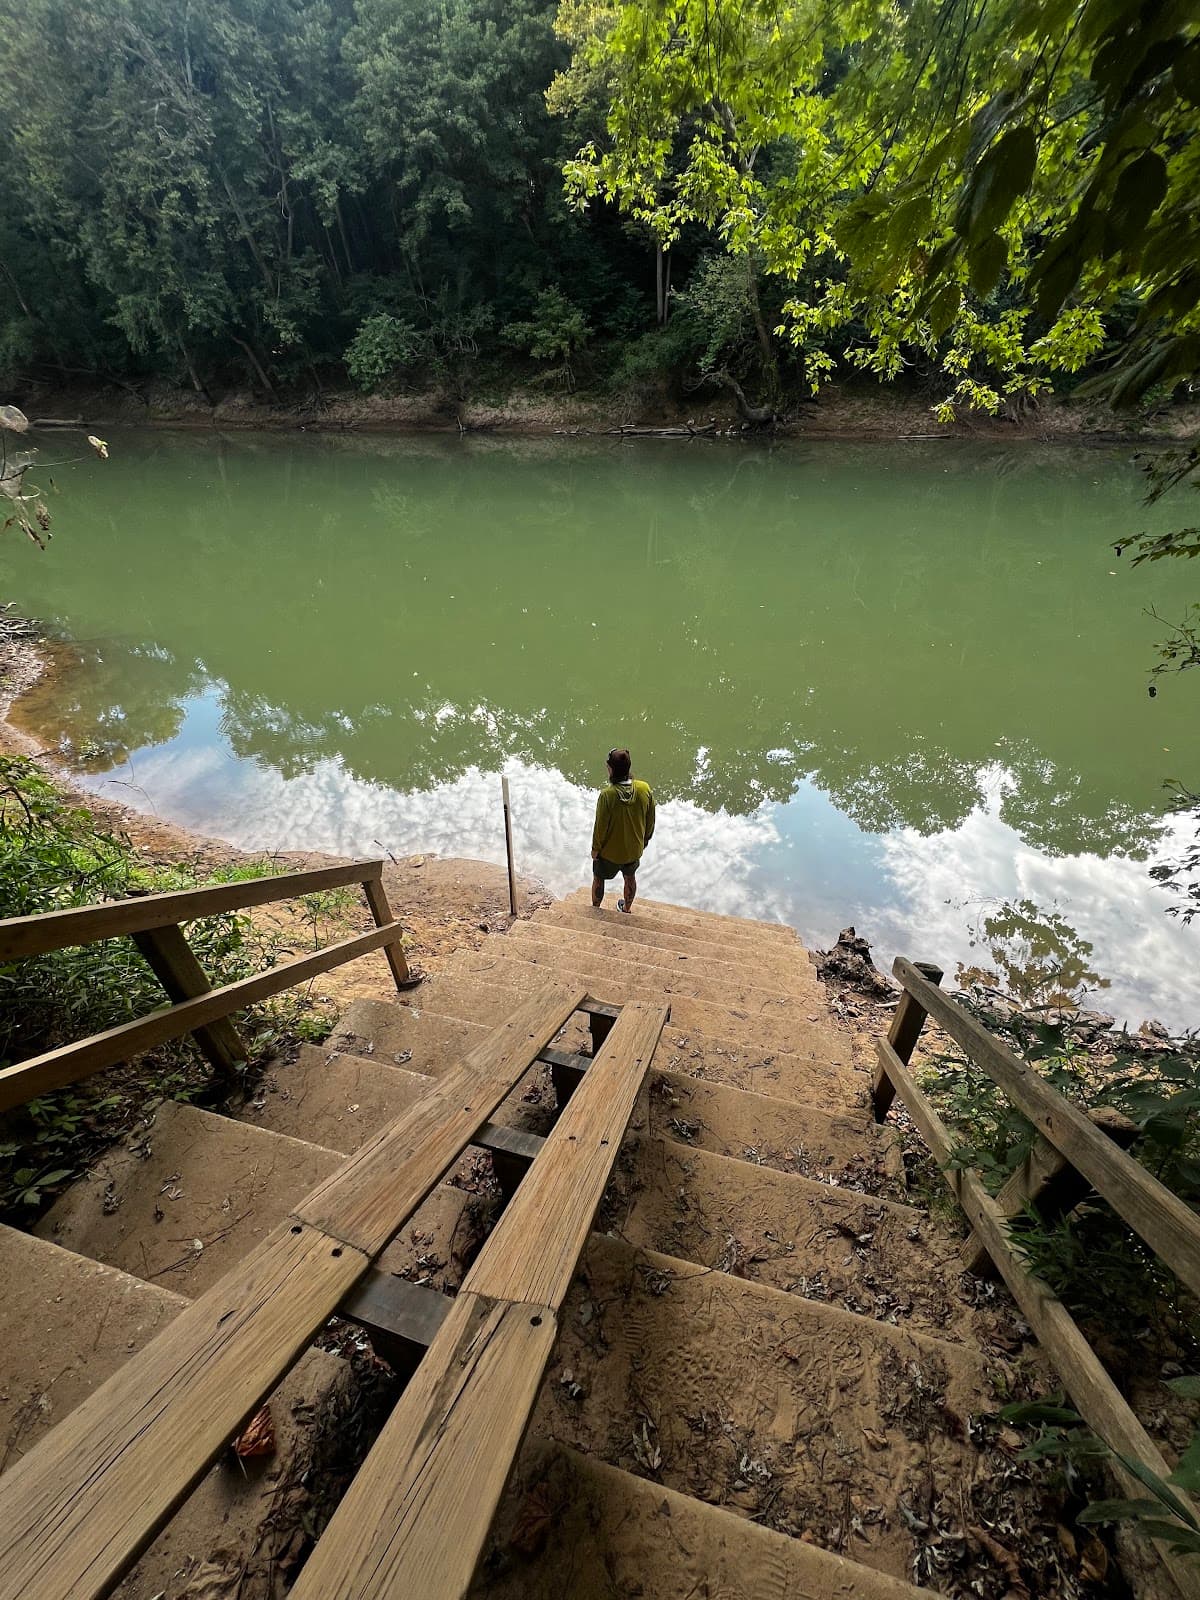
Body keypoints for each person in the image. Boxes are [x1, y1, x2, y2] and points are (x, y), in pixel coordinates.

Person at [590, 747, 655, 912]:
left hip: (608, 854)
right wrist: (644, 840)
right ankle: (626, 909)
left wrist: (595, 850)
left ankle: (596, 909)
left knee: (598, 878)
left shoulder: (607, 795)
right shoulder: (644, 789)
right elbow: (650, 820)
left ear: (609, 768)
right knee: (630, 877)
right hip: (633, 851)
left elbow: (600, 827)